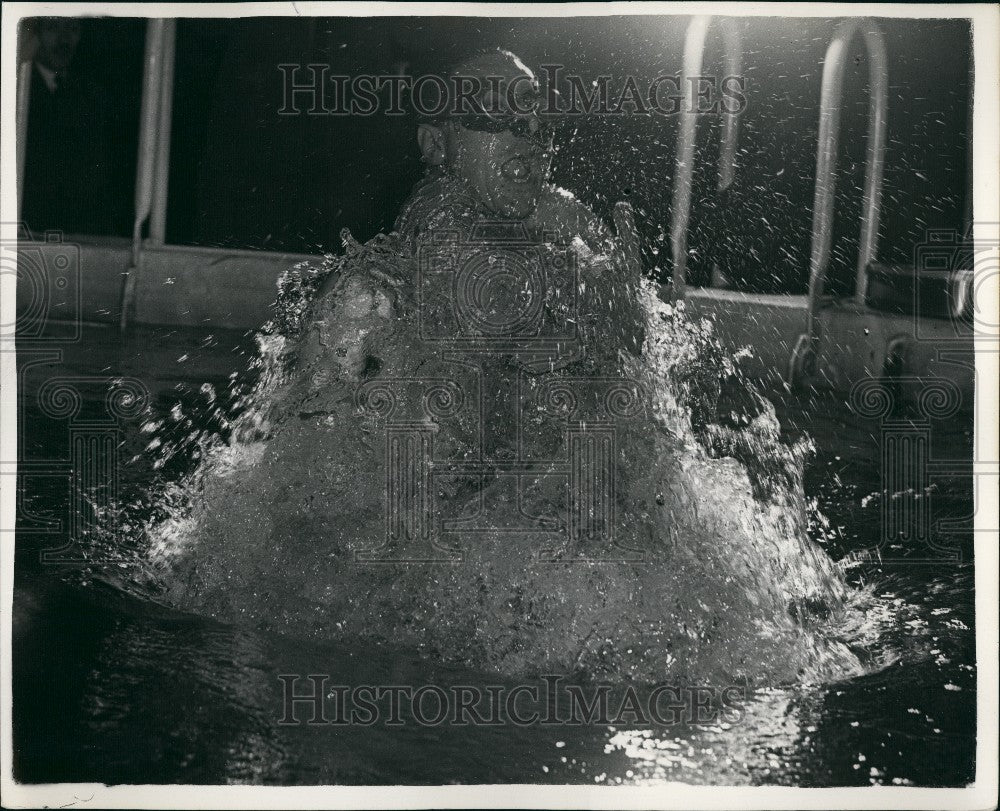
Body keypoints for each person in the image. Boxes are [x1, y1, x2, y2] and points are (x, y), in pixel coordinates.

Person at [21, 17, 116, 236]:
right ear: (32, 34)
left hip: (76, 236)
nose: (64, 40)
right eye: (53, 27)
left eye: (73, 28)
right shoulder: (14, 88)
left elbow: (96, 182)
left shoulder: (92, 97)